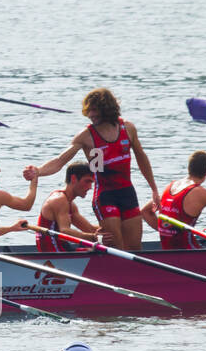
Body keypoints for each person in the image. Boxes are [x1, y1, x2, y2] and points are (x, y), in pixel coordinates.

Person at [28, 88, 159, 250]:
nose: (90, 114)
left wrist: (154, 189)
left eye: (94, 110)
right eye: (88, 110)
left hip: (128, 193)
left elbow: (142, 159)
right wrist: (38, 171)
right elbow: (60, 161)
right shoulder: (86, 136)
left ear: (106, 108)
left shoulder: (128, 128)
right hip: (105, 197)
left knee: (134, 248)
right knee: (116, 247)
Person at [144, 150, 206, 249]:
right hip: (189, 252)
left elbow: (145, 211)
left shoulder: (170, 186)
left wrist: (166, 231)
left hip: (167, 250)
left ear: (189, 168)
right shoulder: (202, 193)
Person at [33, 163, 98, 252]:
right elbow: (64, 232)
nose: (90, 187)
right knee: (96, 252)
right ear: (73, 179)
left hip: (62, 248)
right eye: (87, 181)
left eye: (92, 183)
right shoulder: (59, 200)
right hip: (53, 252)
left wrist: (114, 229)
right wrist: (93, 237)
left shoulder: (70, 204)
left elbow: (90, 229)